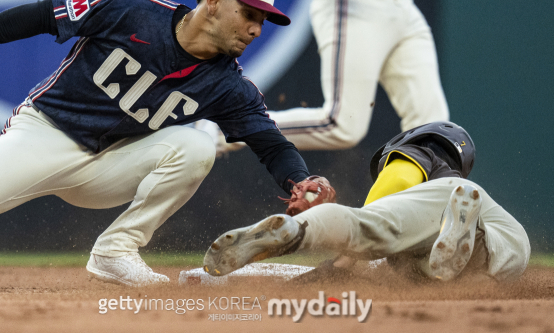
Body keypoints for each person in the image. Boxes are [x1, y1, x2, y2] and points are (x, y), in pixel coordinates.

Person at [0, 0, 325, 287]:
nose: (256, 28)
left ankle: (116, 251)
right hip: (46, 134)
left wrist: (299, 181)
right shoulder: (131, 8)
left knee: (196, 146)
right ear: (215, 0)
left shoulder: (230, 86)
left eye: (263, 20)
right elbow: (45, 15)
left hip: (111, 165)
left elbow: (270, 144)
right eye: (249, 13)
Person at [212, 0, 451, 152]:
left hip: (400, 0)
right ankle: (225, 130)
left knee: (431, 124)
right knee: (342, 126)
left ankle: (419, 189)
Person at [204, 122, 531, 283]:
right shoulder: (449, 180)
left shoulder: (421, 152)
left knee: (368, 229)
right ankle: (449, 249)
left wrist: (336, 260)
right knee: (414, 269)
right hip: (505, 250)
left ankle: (297, 229)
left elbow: (379, 212)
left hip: (453, 200)